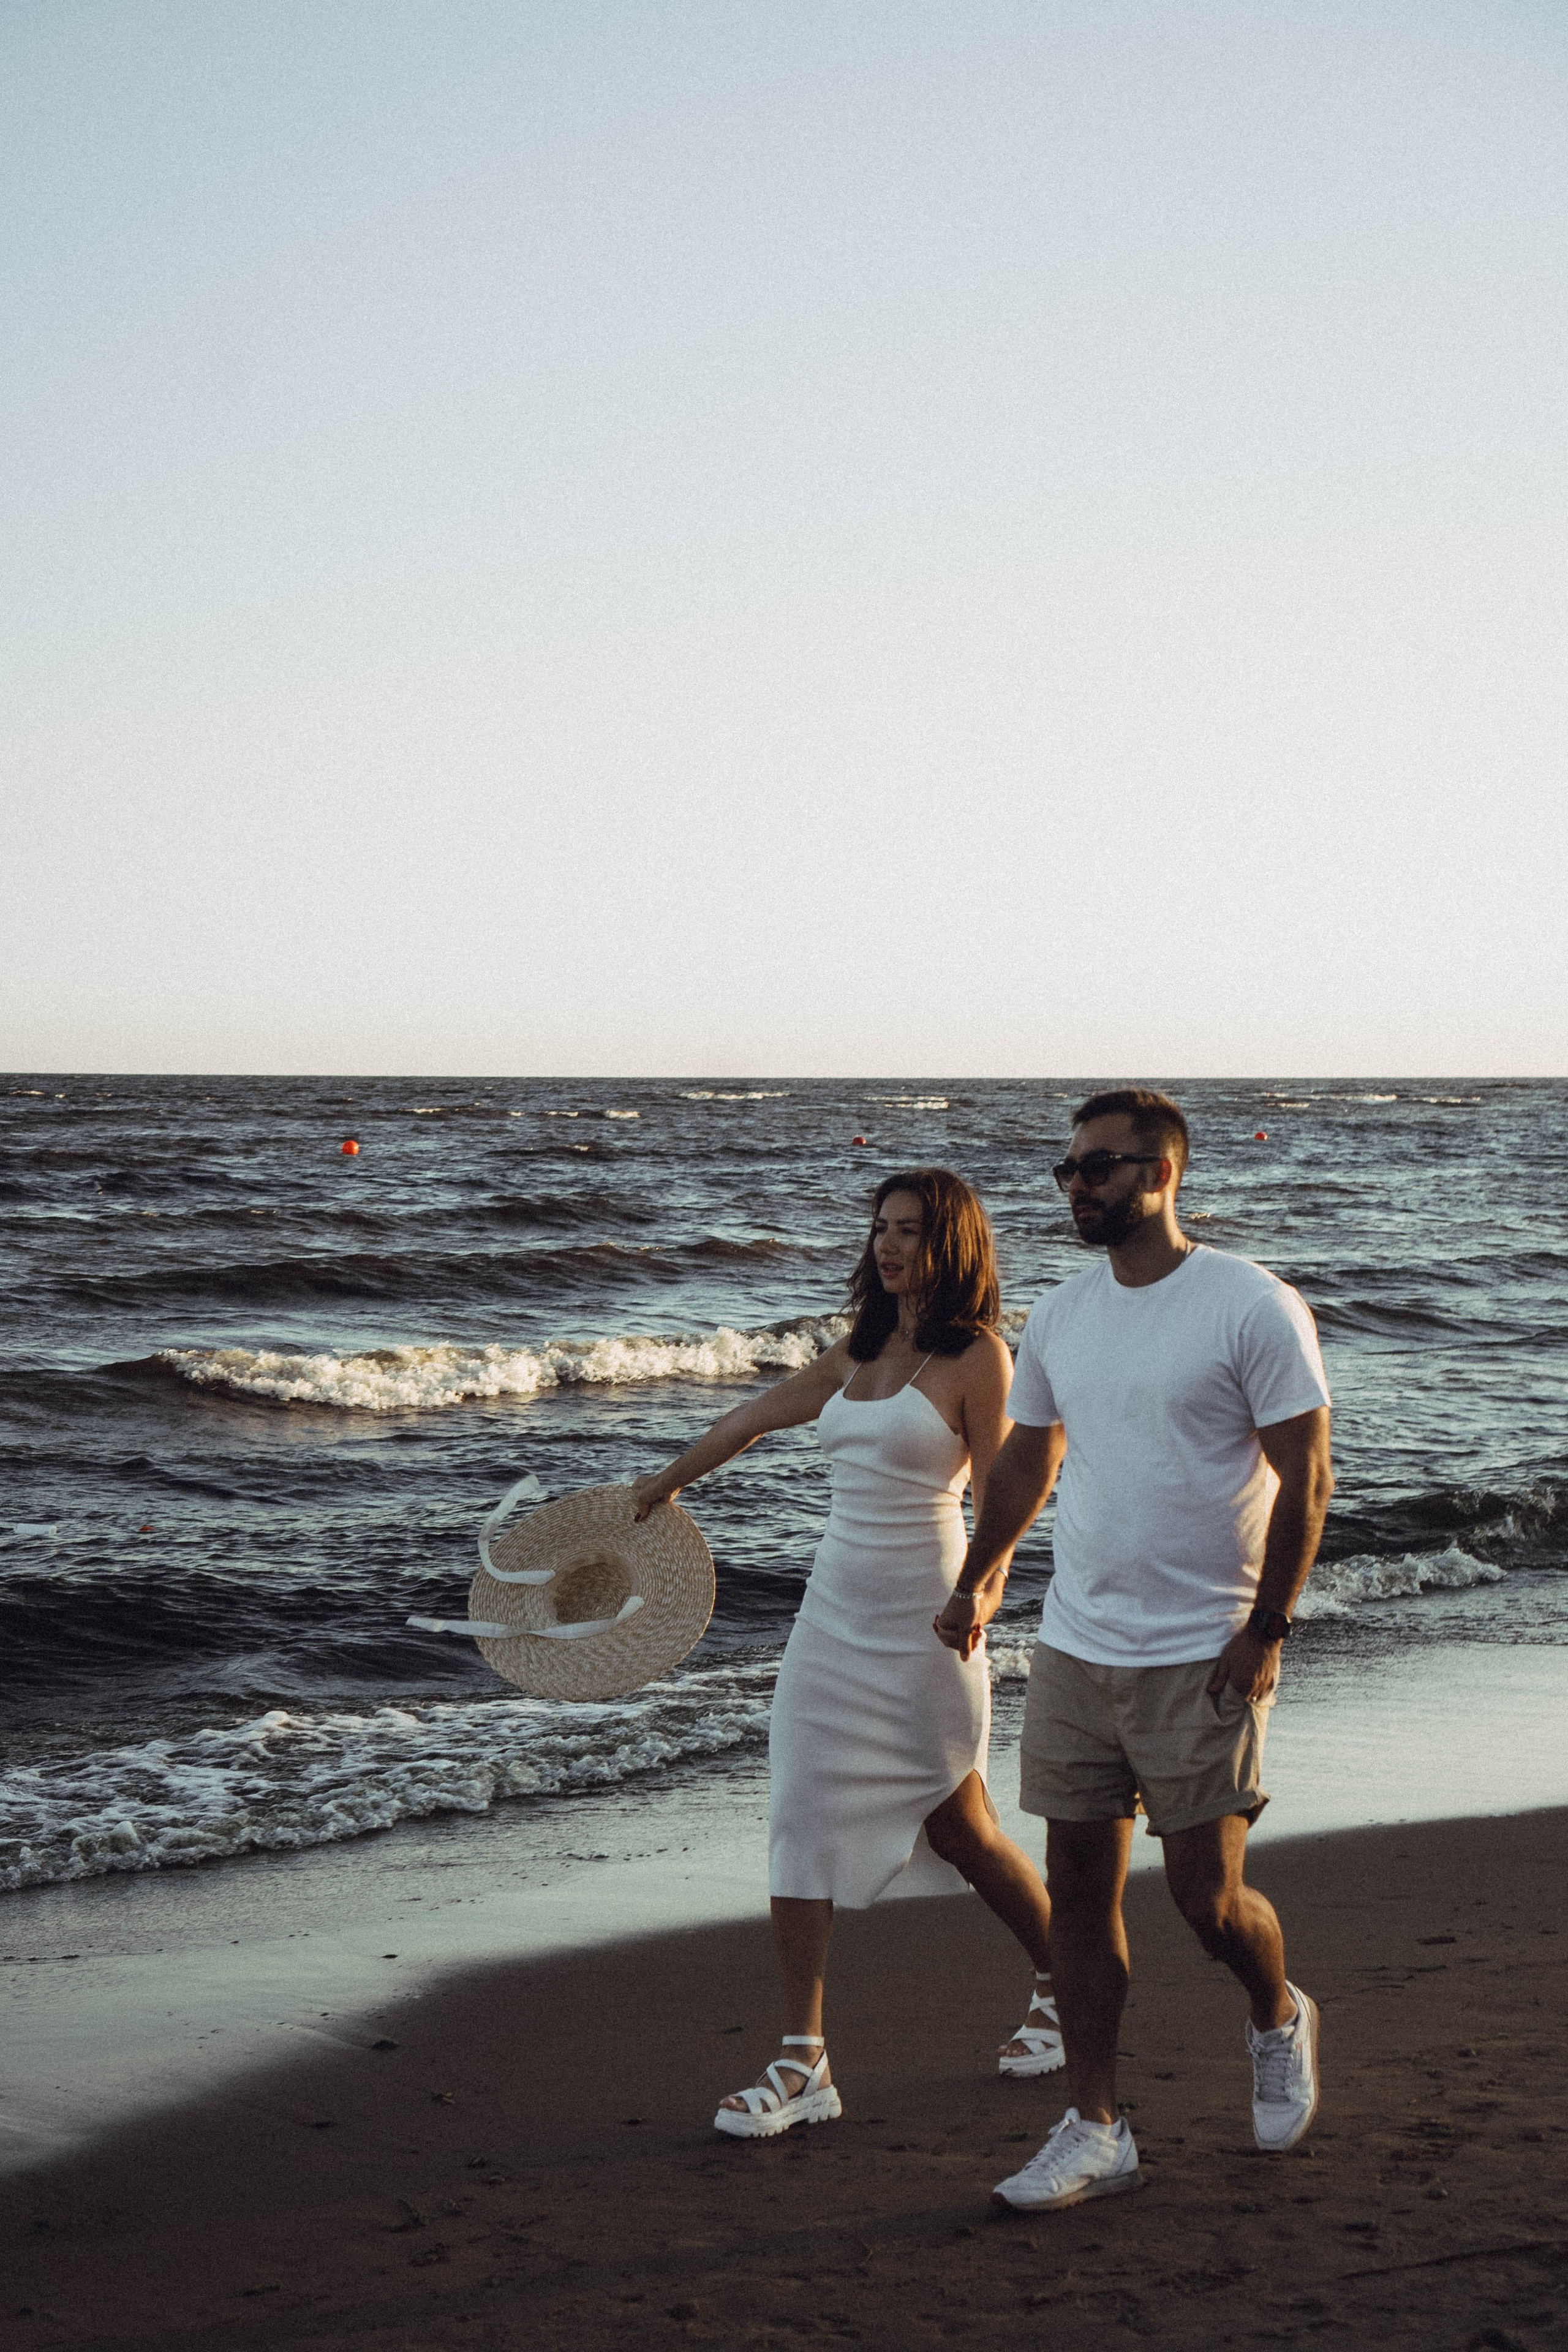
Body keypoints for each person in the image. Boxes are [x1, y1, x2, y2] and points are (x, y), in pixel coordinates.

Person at [934, 1090, 1334, 2211]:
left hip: (1208, 1646)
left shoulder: (1251, 1306)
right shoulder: (1062, 1315)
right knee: (1077, 1899)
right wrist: (981, 1577)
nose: (1075, 1187)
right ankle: (1097, 2124)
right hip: (1077, 1644)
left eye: (1097, 1169)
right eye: (1067, 1170)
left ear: (1161, 1174)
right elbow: (1026, 1463)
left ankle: (1277, 2012)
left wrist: (1267, 1629)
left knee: (1207, 1903)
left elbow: (1309, 1478)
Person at [632, 1167, 1062, 2138]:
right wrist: (656, 1488)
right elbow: (750, 1419)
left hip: (929, 1618)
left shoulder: (980, 1358)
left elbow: (1008, 1495)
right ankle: (804, 2062)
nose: (889, 1246)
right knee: (797, 1813)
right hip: (829, 1620)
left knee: (961, 1827)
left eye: (909, 1230)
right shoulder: (858, 1351)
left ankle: (1066, 1980)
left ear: (950, 1244)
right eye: (880, 1228)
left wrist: (980, 1593)